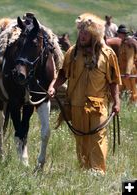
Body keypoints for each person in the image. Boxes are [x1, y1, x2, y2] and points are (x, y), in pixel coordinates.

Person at [48, 13, 122, 175]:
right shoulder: (72, 53)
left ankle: (97, 171)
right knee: (81, 139)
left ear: (94, 35)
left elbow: (113, 81)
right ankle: (85, 170)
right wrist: (53, 86)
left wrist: (116, 102)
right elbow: (62, 74)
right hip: (76, 104)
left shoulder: (108, 54)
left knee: (97, 137)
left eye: (86, 33)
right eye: (81, 31)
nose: (82, 35)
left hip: (98, 106)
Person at [117, 24, 137, 104]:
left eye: (118, 33)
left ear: (122, 34)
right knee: (119, 90)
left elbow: (130, 59)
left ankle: (133, 106)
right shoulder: (123, 43)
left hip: (129, 71)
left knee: (132, 90)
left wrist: (128, 72)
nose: (117, 35)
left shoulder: (129, 44)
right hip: (122, 71)